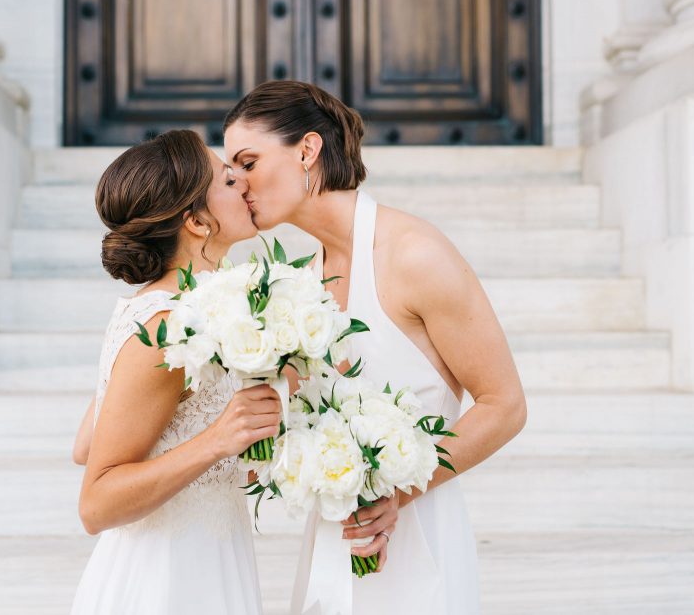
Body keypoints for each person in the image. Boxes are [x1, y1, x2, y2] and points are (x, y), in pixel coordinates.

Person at [222, 81, 528, 614]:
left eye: (248, 161)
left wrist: (398, 495)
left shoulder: (414, 254)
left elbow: (505, 406)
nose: (235, 181)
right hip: (333, 544)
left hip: (417, 537)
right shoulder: (299, 285)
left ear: (307, 150)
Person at [70, 130, 279, 614]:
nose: (246, 183)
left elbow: (87, 442)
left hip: (211, 561)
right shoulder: (167, 326)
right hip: (164, 582)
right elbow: (95, 504)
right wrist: (217, 440)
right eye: (229, 179)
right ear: (197, 222)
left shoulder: (195, 311)